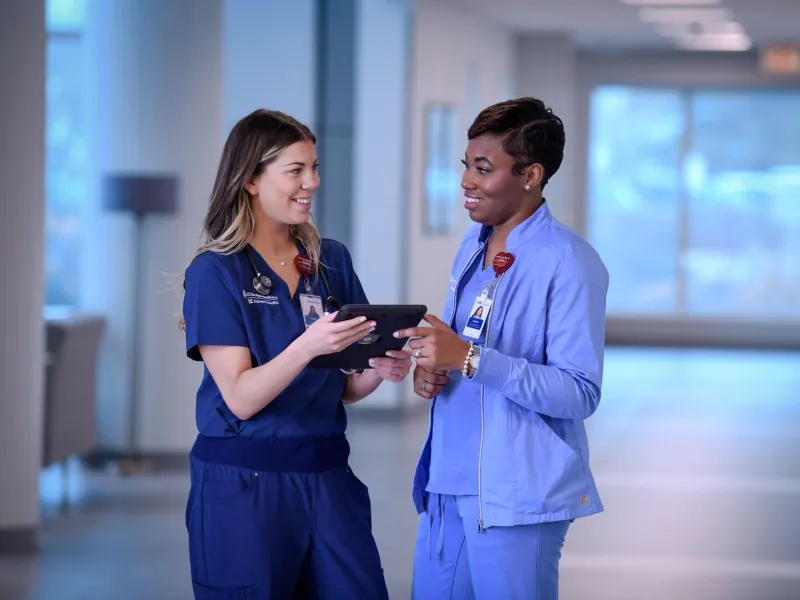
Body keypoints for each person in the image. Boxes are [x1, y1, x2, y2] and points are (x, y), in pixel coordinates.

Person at [179, 109, 411, 599]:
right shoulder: (215, 272)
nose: (313, 182)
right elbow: (241, 398)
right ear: (250, 181)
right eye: (296, 171)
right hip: (246, 483)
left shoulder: (330, 261)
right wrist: (307, 346)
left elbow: (343, 387)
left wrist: (382, 370)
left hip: (327, 473)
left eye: (315, 167)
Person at [395, 97, 609, 599]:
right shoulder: (472, 246)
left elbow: (579, 392)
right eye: (466, 166)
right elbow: (463, 347)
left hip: (515, 496)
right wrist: (433, 370)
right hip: (446, 482)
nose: (466, 181)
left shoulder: (570, 262)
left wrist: (468, 359)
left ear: (531, 174)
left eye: (483, 168)